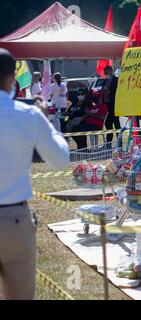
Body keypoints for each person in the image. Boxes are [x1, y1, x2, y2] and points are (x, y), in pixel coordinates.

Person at [0, 49, 70, 300]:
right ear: (12, 79)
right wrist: (46, 121)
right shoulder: (28, 114)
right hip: (15, 219)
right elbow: (61, 161)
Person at [103, 66, 121, 145]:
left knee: (116, 124)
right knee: (108, 124)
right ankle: (109, 143)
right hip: (107, 106)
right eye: (105, 73)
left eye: (106, 73)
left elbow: (118, 91)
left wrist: (109, 92)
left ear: (111, 71)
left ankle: (119, 143)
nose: (105, 74)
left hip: (114, 106)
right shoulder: (105, 80)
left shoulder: (116, 80)